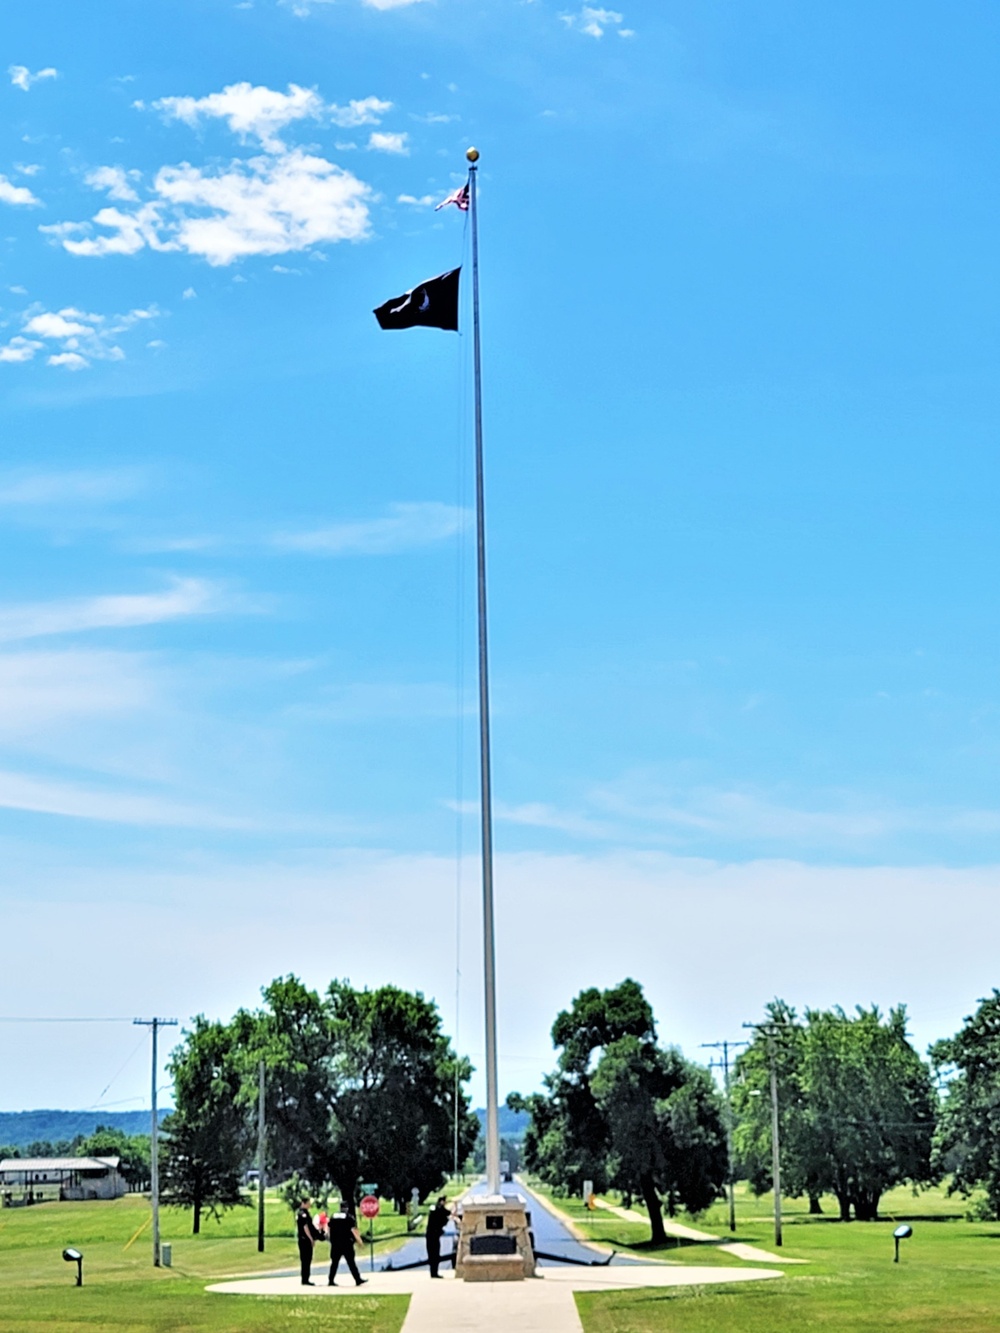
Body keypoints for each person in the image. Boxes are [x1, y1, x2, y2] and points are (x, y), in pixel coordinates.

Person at [328, 1199, 367, 1286]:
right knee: (351, 1262)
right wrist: (360, 1241)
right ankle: (357, 1279)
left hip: (335, 1244)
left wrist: (330, 1238)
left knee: (334, 1263)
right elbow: (353, 1230)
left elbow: (329, 1228)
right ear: (347, 1208)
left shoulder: (333, 1216)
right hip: (346, 1244)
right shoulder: (349, 1217)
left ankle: (330, 1280)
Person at [296, 1198, 321, 1285]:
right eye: (308, 1203)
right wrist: (311, 1239)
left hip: (304, 1239)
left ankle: (305, 1278)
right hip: (304, 1240)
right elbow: (305, 1227)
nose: (309, 1205)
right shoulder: (302, 1214)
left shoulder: (304, 1213)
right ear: (304, 1203)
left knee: (307, 1260)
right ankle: (305, 1279)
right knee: (306, 1259)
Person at [426, 1196, 452, 1278]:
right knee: (434, 1254)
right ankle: (434, 1273)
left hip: (432, 1235)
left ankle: (433, 1273)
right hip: (433, 1235)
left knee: (433, 1254)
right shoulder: (439, 1210)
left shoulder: (436, 1209)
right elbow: (447, 1213)